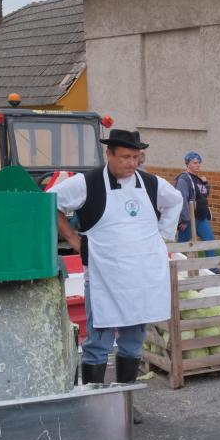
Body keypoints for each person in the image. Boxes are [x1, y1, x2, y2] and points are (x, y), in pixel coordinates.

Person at [50, 129, 183, 424]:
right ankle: (94, 405)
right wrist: (72, 238)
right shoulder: (86, 183)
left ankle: (124, 401)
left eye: (136, 157)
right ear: (109, 154)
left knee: (133, 340)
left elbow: (176, 201)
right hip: (103, 277)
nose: (131, 163)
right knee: (99, 341)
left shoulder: (151, 184)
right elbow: (49, 202)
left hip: (140, 278)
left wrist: (161, 236)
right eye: (125, 157)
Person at [176, 152, 214, 244]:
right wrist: (185, 220)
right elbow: (181, 200)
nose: (198, 165)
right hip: (190, 219)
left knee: (210, 241)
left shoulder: (199, 179)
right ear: (188, 164)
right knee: (182, 245)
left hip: (202, 217)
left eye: (199, 162)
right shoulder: (183, 179)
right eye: (195, 163)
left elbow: (204, 195)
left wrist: (206, 183)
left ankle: (211, 255)